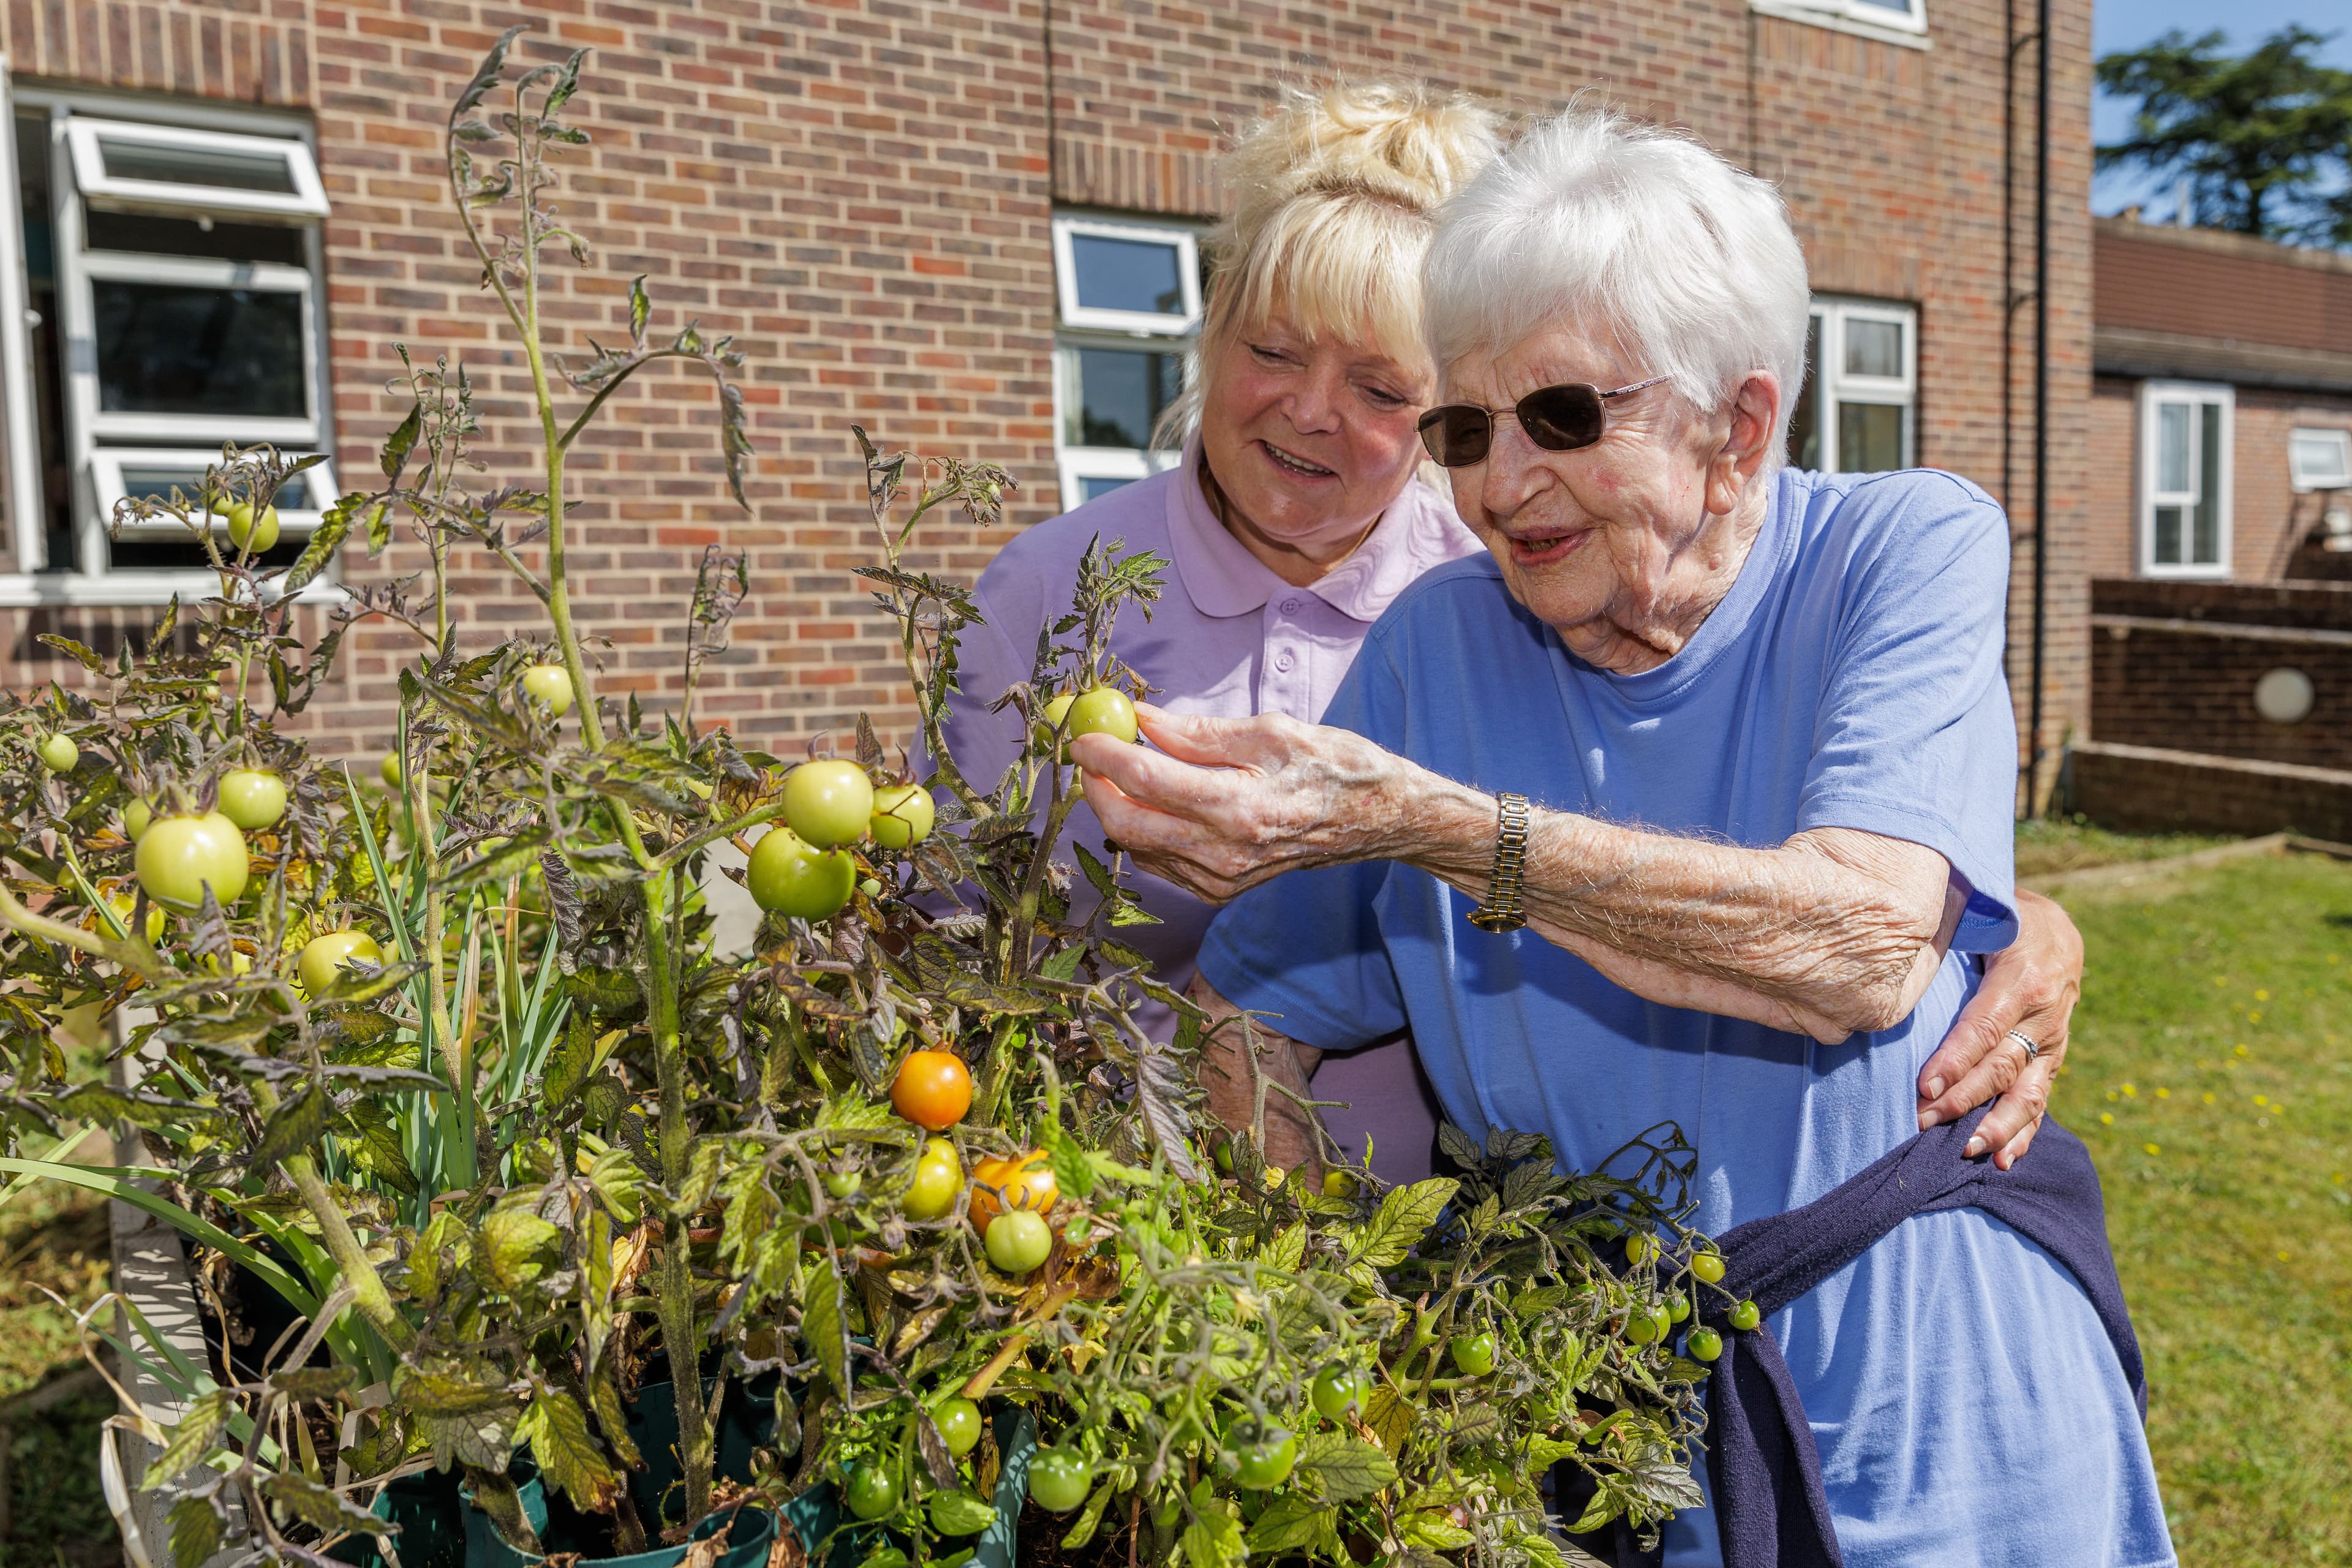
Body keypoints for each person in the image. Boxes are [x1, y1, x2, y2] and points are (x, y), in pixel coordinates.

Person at [1071, 107, 2169, 1568]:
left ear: (1740, 427)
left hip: (1947, 1411)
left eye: (1565, 417)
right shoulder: (1435, 649)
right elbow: (1240, 1025)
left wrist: (1444, 829)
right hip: (1609, 1449)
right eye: (1463, 428)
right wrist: (1335, 1330)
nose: (1499, 482)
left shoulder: (1900, 552)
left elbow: (1855, 948)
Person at [944, 81, 2081, 1191]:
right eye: (1276, 353)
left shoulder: (1512, 563)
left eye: (1388, 391)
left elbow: (1859, 898)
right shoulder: (1071, 587)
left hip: (1454, 1220)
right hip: (1107, 1185)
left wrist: (2002, 916)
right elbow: (966, 920)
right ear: (1210, 340)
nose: (1311, 411)